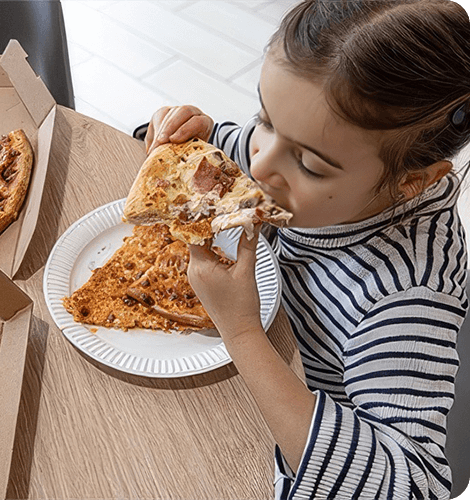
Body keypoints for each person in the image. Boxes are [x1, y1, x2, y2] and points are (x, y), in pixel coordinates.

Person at [142, 1, 470, 498]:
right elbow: (246, 151)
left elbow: (414, 485)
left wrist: (243, 331)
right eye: (266, 117)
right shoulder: (294, 157)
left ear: (412, 182)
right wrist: (190, 140)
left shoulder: (406, 296)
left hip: (292, 435)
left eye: (310, 165)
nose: (262, 163)